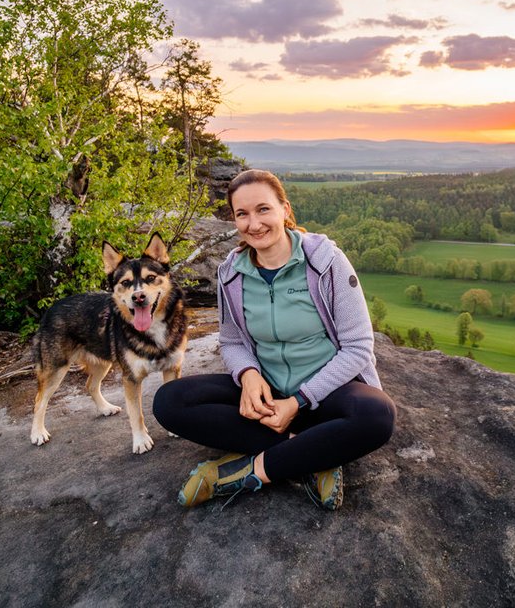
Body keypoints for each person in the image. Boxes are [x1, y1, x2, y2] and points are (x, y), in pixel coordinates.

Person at [153, 169, 396, 510]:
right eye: (242, 214)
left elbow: (358, 347)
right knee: (169, 402)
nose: (254, 224)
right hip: (266, 399)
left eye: (263, 209)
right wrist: (249, 376)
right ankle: (312, 454)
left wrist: (297, 401)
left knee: (377, 415)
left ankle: (240, 473)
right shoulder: (231, 273)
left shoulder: (326, 262)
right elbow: (232, 341)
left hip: (325, 396)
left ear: (284, 209)